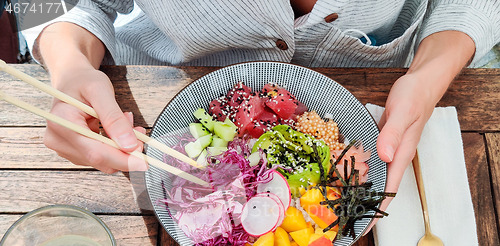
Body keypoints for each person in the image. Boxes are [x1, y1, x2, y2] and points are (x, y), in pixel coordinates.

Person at [31, 0, 499, 216]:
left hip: (386, 109)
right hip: (146, 113)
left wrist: (429, 73)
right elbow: (64, 8)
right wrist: (69, 64)